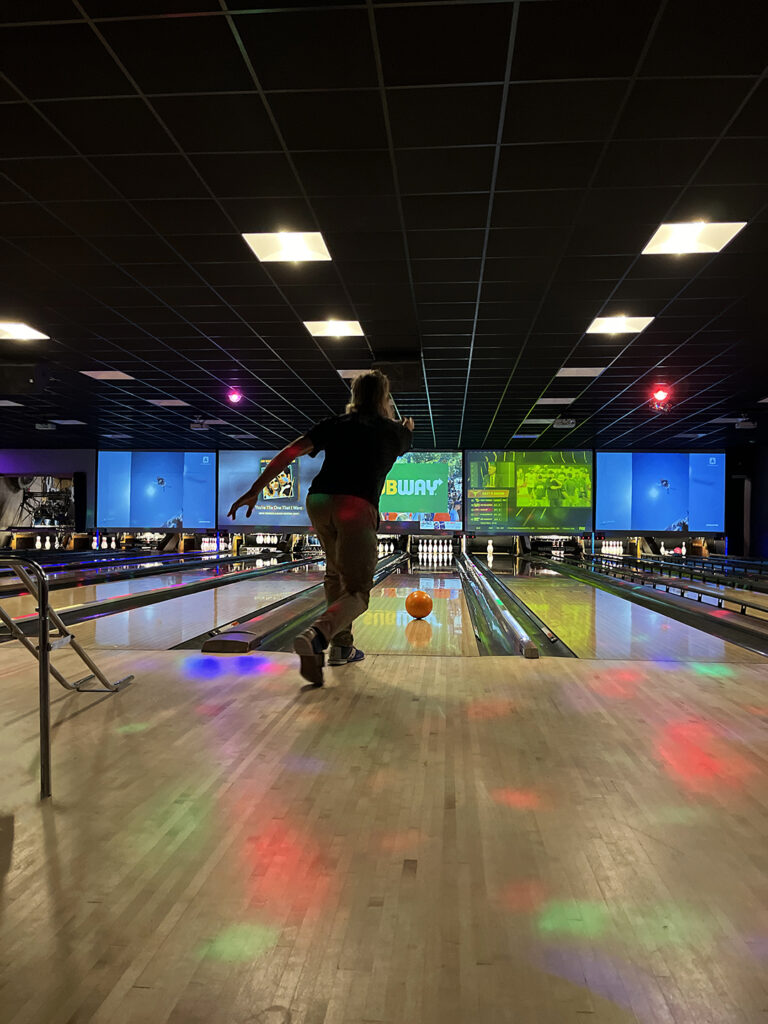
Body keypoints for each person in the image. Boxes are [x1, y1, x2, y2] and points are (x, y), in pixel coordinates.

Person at [227, 370, 414, 687]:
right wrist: (407, 427)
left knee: (334, 573)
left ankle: (342, 648)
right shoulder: (395, 431)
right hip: (355, 506)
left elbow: (289, 452)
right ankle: (319, 635)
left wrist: (256, 488)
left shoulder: (335, 424)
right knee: (357, 593)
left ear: (354, 398)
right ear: (385, 399)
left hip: (319, 501)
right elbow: (403, 438)